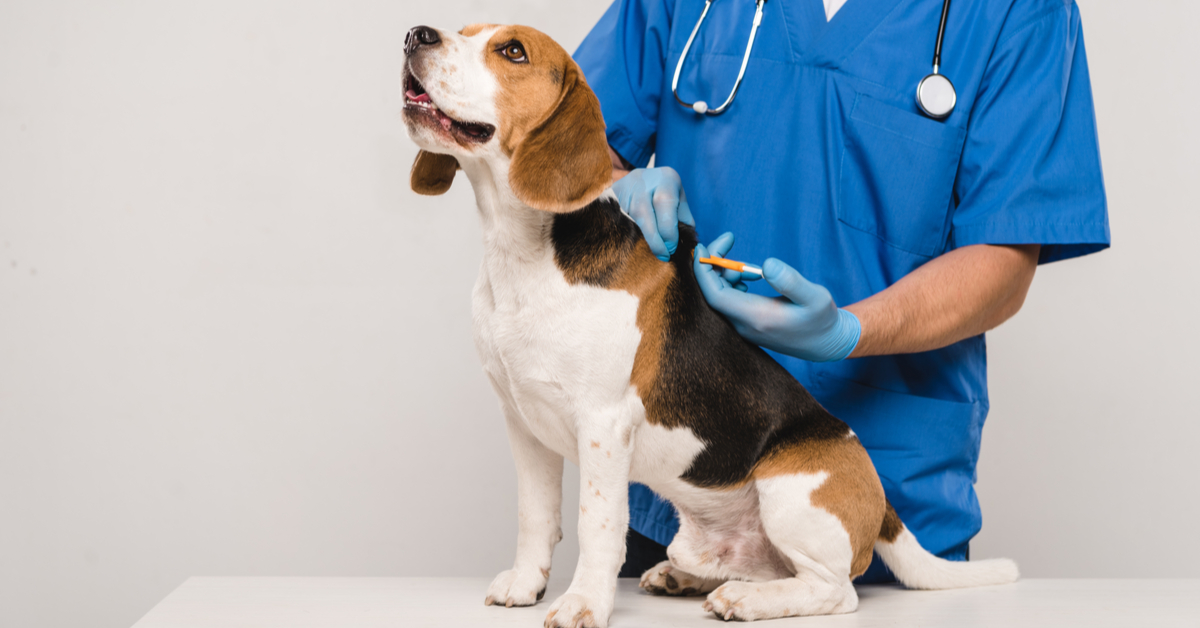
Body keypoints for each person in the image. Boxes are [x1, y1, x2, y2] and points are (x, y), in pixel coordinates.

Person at [573, 0, 1109, 582]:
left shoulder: (1017, 11)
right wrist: (619, 186)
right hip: (687, 485)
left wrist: (848, 331)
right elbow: (570, 144)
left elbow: (1003, 260)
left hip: (877, 502)